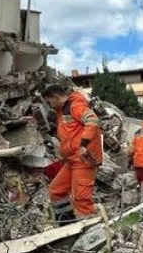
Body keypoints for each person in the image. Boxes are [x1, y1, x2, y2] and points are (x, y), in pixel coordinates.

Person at [42, 84, 103, 225]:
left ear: (55, 97)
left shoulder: (75, 106)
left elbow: (92, 120)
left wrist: (83, 145)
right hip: (72, 161)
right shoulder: (61, 111)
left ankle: (88, 235)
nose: (49, 106)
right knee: (56, 191)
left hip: (83, 160)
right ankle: (66, 224)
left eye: (49, 102)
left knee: (81, 199)